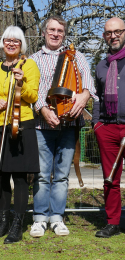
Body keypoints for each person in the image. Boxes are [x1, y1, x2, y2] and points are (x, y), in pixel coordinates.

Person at [29, 15, 97, 237]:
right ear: (44, 32)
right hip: (43, 125)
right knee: (41, 174)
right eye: (52, 30)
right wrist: (43, 109)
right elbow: (33, 89)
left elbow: (87, 81)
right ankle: (39, 218)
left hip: (70, 125)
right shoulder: (34, 59)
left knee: (61, 175)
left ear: (64, 34)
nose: (56, 34)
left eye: (60, 30)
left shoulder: (76, 56)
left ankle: (57, 217)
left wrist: (84, 96)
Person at [0, 26, 40, 244]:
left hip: (21, 124)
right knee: (1, 175)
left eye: (16, 40)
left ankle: (17, 224)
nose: (12, 43)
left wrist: (22, 83)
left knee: (20, 177)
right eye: (8, 40)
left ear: (22, 44)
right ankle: (3, 221)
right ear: (2, 43)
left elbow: (33, 97)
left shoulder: (29, 65)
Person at [93, 17, 125, 238]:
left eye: (117, 31)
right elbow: (96, 97)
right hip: (108, 128)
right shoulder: (101, 65)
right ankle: (113, 222)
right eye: (108, 33)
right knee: (110, 178)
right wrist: (97, 124)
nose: (113, 36)